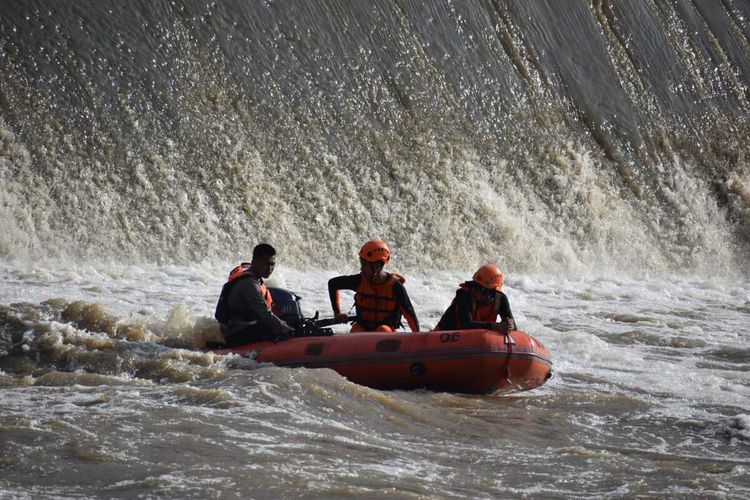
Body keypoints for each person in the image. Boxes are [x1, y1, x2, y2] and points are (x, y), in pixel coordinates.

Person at [328, 239, 420, 333]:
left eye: (364, 265)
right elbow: (333, 284)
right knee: (356, 330)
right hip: (364, 330)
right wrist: (337, 313)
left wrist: (418, 338)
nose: (361, 268)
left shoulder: (396, 287)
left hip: (387, 333)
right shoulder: (359, 280)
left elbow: (410, 315)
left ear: (377, 266)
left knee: (382, 330)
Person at [214, 243, 295, 347]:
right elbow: (263, 312)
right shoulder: (249, 284)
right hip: (234, 334)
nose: (269, 268)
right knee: (273, 328)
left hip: (246, 326)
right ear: (254, 262)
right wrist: (284, 327)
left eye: (272, 264)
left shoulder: (255, 277)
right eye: (265, 264)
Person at [434, 264, 516, 333]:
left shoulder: (500, 298)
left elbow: (512, 327)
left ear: (492, 292)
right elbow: (466, 324)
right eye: (476, 286)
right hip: (447, 335)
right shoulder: (464, 295)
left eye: (482, 289)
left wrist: (509, 325)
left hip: (478, 340)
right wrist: (494, 326)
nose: (476, 290)